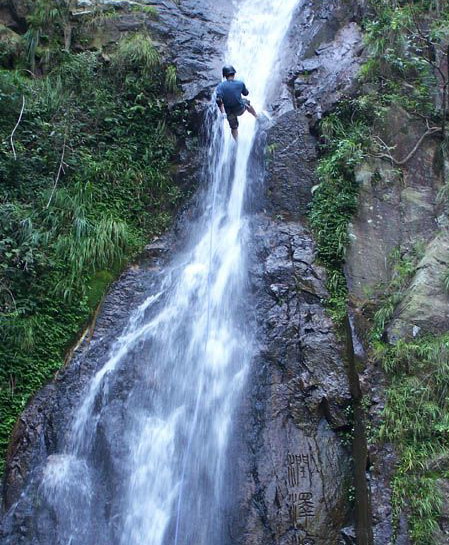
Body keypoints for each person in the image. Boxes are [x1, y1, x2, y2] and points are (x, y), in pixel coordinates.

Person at [216, 65, 257, 140]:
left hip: (229, 113)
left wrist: (222, 112)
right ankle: (257, 117)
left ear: (224, 76)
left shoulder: (220, 86)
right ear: (234, 74)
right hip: (239, 109)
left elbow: (218, 100)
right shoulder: (240, 83)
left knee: (233, 128)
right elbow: (246, 93)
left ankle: (237, 142)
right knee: (246, 102)